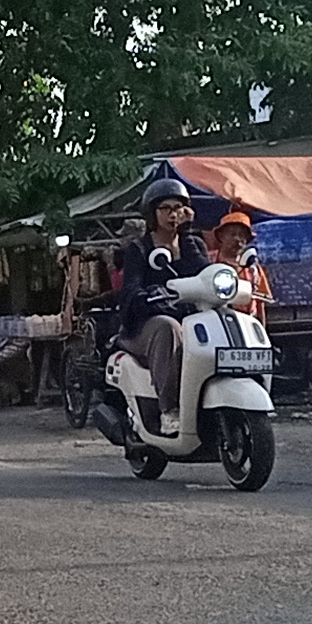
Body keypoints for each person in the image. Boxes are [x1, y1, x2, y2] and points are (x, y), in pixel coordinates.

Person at [118, 178, 211, 435]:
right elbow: (130, 290)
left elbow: (204, 274)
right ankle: (169, 410)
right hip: (147, 325)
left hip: (190, 319)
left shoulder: (193, 243)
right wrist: (148, 295)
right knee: (168, 328)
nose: (173, 215)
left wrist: (187, 234)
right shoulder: (139, 249)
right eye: (166, 209)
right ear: (152, 213)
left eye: (179, 208)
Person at [211, 211, 273, 324]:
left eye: (242, 235)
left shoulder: (253, 269)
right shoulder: (209, 261)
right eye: (232, 234)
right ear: (221, 236)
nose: (237, 239)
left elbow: (260, 302)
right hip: (216, 320)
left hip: (247, 323)